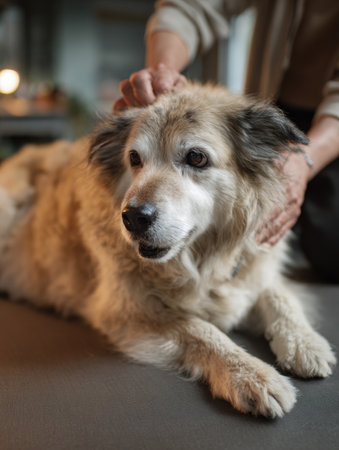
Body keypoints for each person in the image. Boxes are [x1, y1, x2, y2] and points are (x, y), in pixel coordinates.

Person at [114, 0, 339, 282]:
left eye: (195, 158)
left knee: (332, 246)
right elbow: (190, 6)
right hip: (264, 102)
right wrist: (162, 71)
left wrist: (305, 160)